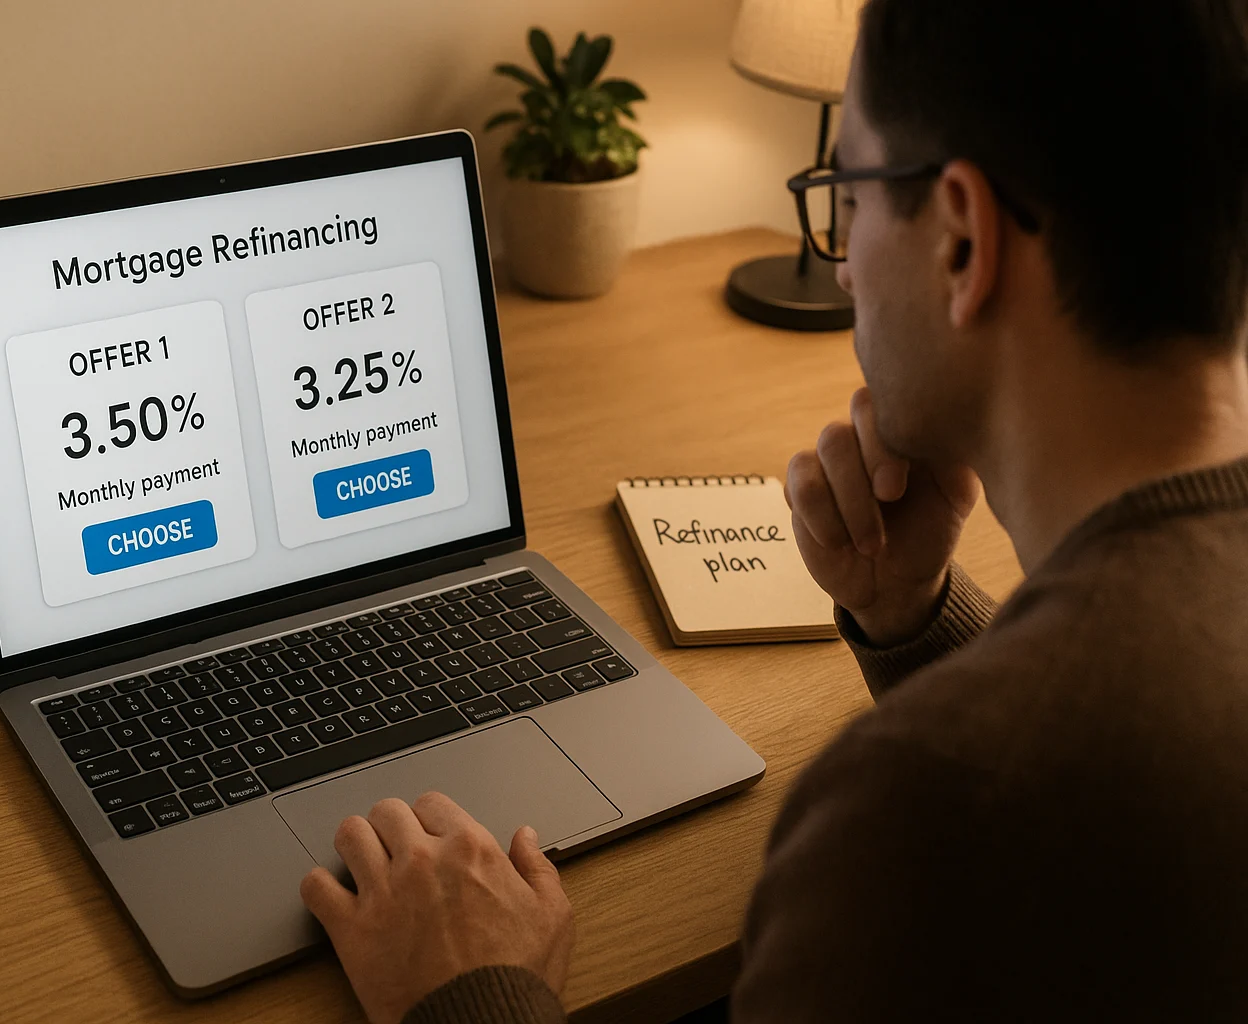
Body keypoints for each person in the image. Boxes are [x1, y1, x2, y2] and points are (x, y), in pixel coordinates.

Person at [297, 1, 1248, 1020]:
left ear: (963, 242)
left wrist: (471, 991)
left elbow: (1018, 785)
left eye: (850, 197)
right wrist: (920, 623)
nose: (842, 264)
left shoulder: (918, 812)